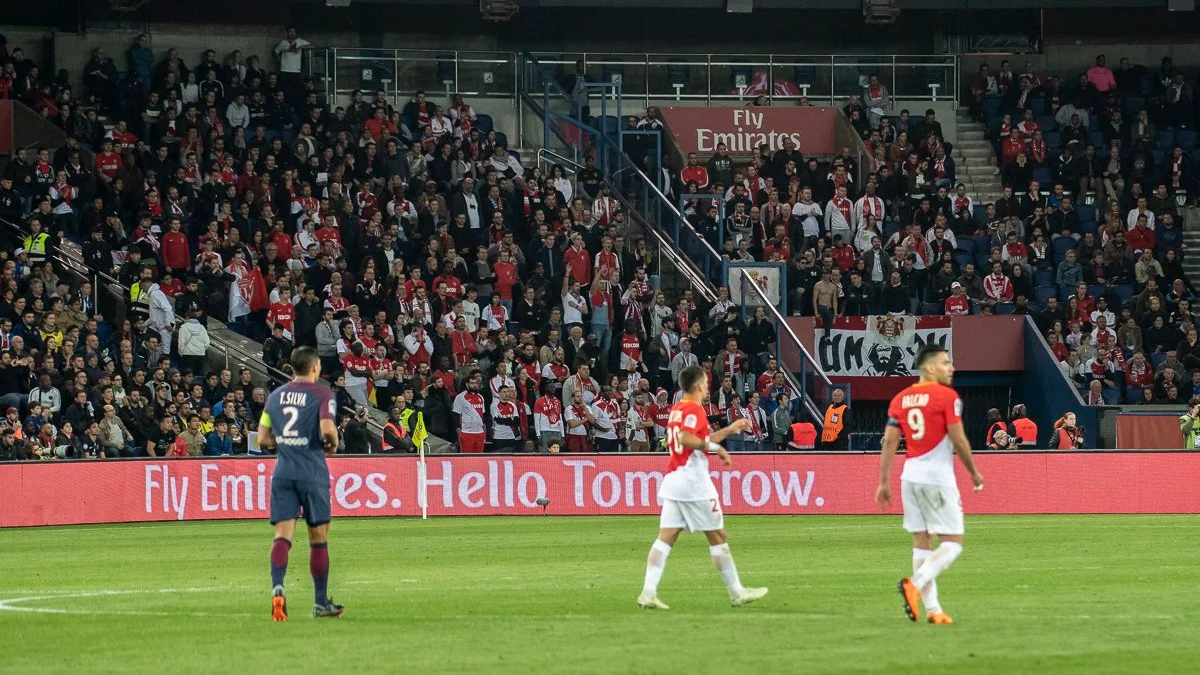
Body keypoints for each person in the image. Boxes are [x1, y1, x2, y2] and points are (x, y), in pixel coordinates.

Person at [636, 365, 768, 610]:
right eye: (706, 383)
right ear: (697, 385)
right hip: (692, 482)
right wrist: (718, 448)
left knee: (666, 537)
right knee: (717, 536)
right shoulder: (693, 409)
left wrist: (728, 431)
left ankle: (648, 592)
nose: (708, 387)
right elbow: (687, 439)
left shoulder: (676, 409)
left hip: (675, 479)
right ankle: (737, 592)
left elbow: (693, 439)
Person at [875, 344, 984, 626]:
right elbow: (958, 440)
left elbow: (889, 440)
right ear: (930, 367)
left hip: (909, 476)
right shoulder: (947, 397)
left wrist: (884, 481)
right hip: (937, 478)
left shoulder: (901, 398)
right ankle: (915, 582)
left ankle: (934, 610)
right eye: (946, 363)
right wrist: (973, 471)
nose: (952, 368)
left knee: (921, 544)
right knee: (954, 542)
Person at [258, 346, 344, 621]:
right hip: (311, 471)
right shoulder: (322, 394)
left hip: (283, 471)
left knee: (283, 536)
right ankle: (320, 603)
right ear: (315, 367)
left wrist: (283, 442)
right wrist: (332, 443)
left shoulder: (274, 397)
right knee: (318, 540)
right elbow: (328, 430)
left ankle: (278, 588)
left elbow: (262, 439)